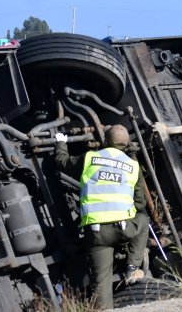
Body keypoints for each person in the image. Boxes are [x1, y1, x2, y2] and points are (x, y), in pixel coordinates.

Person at [55, 124, 149, 310]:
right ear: (127, 143)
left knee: (101, 282)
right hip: (123, 229)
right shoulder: (132, 166)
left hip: (97, 234)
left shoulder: (91, 157)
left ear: (106, 141)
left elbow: (62, 163)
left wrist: (61, 143)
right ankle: (132, 268)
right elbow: (140, 204)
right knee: (143, 220)